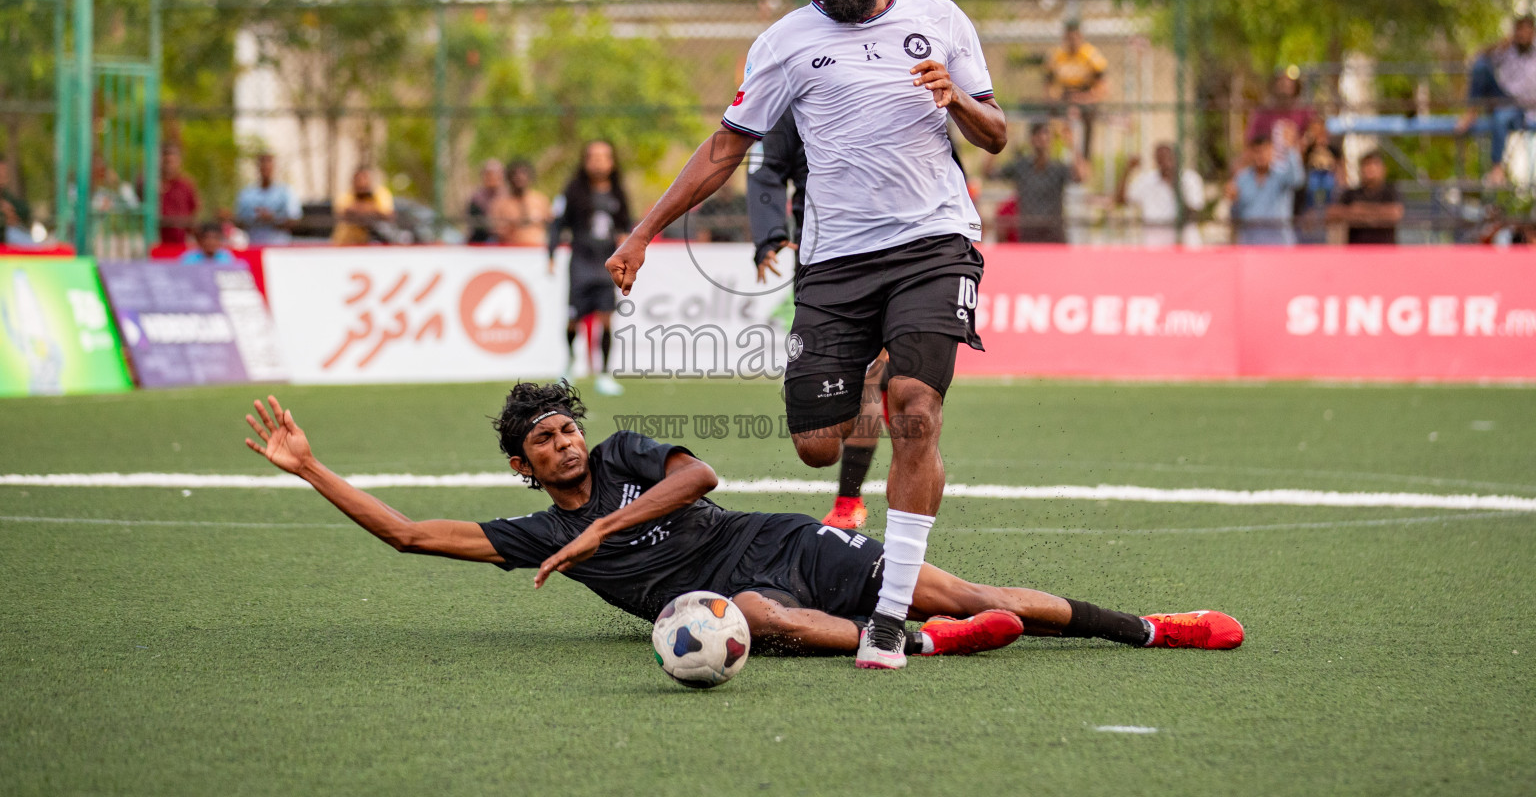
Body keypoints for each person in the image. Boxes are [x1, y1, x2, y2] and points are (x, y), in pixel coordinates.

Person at [604, 0, 1008, 670]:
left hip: (934, 242)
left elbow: (993, 134)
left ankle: (891, 614)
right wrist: (644, 231)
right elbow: (725, 150)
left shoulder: (943, 22)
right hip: (836, 263)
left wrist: (955, 96)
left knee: (916, 411)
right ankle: (870, 374)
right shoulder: (784, 43)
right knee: (818, 447)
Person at [241, 386, 1245, 660]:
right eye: (543, 440)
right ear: (521, 463)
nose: (563, 443)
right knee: (757, 615)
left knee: (972, 588)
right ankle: (923, 647)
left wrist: (597, 536)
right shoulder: (530, 532)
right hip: (733, 592)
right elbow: (410, 533)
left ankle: (1156, 626)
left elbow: (705, 473)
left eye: (565, 427)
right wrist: (311, 466)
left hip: (777, 535)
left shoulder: (628, 452)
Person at [749, 110, 886, 531]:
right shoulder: (795, 103)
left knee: (875, 380)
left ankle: (848, 501)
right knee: (820, 433)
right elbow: (765, 168)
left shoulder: (892, 84)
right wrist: (769, 234)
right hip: (819, 260)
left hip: (893, 252)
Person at [550, 140, 630, 397]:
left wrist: (625, 249)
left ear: (612, 161)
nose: (598, 161)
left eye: (604, 156)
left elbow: (626, 227)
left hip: (607, 264)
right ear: (585, 161)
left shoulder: (618, 193)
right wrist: (550, 253)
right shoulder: (573, 191)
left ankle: (604, 373)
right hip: (581, 263)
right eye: (593, 157)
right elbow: (556, 224)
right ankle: (570, 363)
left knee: (607, 317)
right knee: (574, 317)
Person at [1458, 14, 1536, 184]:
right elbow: (1476, 58)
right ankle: (1472, 111)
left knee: (1501, 117)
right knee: (1481, 67)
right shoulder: (1507, 50)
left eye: (1527, 31)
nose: (1523, 35)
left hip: (1522, 106)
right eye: (1520, 31)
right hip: (1502, 96)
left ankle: (1497, 167)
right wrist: (1499, 45)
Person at [987, 121, 1085, 244]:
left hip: (1054, 233)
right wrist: (999, 138)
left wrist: (1072, 144)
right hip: (1028, 233)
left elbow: (1081, 176)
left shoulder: (1058, 168)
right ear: (1032, 139)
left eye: (1046, 134)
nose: (1043, 139)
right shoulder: (1021, 166)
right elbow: (988, 172)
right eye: (1039, 135)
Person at [1226, 121, 1304, 245]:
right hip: (1250, 243)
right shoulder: (1242, 178)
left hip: (1278, 243)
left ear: (1272, 151)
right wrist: (1233, 200)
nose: (1261, 155)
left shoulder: (1281, 176)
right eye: (1257, 151)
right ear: (1251, 153)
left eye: (1265, 150)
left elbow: (1297, 180)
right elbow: (1236, 213)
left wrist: (1290, 148)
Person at [1114, 142, 1204, 248]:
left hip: (1186, 242)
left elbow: (1194, 213)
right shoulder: (1147, 181)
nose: (1165, 162)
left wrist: (1175, 185)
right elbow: (1120, 200)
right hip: (1155, 242)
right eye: (1160, 158)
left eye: (1168, 157)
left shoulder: (1190, 179)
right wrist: (1127, 170)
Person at [1044, 20, 1108, 157]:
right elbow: (1048, 83)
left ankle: (1084, 157)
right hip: (1064, 97)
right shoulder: (1057, 55)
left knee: (1087, 120)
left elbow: (1103, 84)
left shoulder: (1090, 54)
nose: (1072, 41)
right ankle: (1054, 154)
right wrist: (1053, 98)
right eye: (1069, 37)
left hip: (1085, 96)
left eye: (1075, 37)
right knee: (1048, 118)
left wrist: (1086, 98)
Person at [1328, 151, 1403, 245]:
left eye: (1374, 165)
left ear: (1383, 169)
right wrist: (1377, 215)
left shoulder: (1390, 191)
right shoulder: (1352, 193)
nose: (1370, 169)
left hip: (1385, 250)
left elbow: (1395, 214)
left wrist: (1360, 211)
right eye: (1367, 165)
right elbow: (1333, 214)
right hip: (1357, 251)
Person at [234, 152, 301, 247]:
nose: (265, 170)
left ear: (274, 168)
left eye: (268, 167)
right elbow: (239, 222)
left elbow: (295, 220)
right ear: (258, 168)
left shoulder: (285, 192)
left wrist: (273, 219)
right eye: (263, 167)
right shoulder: (247, 193)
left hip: (279, 246)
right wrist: (253, 219)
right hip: (255, 245)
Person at [1247, 68, 1317, 147]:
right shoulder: (1262, 112)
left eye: (1288, 82)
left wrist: (1301, 143)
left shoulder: (1305, 112)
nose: (1284, 85)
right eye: (1281, 81)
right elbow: (1251, 140)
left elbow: (1315, 135)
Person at [490, 160, 551, 246]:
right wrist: (512, 225)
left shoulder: (540, 200)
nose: (520, 178)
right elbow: (495, 229)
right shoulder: (500, 204)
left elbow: (551, 224)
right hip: (512, 251)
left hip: (538, 249)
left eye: (523, 175)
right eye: (516, 175)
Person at [331, 166, 394, 246]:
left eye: (365, 178)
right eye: (359, 179)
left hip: (374, 243)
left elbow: (387, 214)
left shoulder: (380, 194)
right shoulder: (346, 195)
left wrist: (358, 209)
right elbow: (344, 214)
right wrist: (372, 209)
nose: (362, 182)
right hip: (346, 244)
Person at [158, 145, 200, 247]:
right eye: (166, 161)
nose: (169, 165)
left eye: (172, 161)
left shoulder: (187, 183)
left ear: (179, 162)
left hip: (181, 237)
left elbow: (195, 208)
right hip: (158, 237)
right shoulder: (152, 184)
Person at [465, 159, 506, 244]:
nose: (492, 177)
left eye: (495, 174)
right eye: (488, 174)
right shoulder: (476, 198)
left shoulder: (508, 196)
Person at [179, 222, 247, 267]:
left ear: (220, 241)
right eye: (207, 238)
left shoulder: (227, 258)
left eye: (215, 238)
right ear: (200, 240)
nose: (211, 242)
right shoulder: (189, 258)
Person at [0, 160, 32, 246]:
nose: (3, 180)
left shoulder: (7, 197)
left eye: (4, 175)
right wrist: (4, 217)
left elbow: (25, 210)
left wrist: (12, 214)